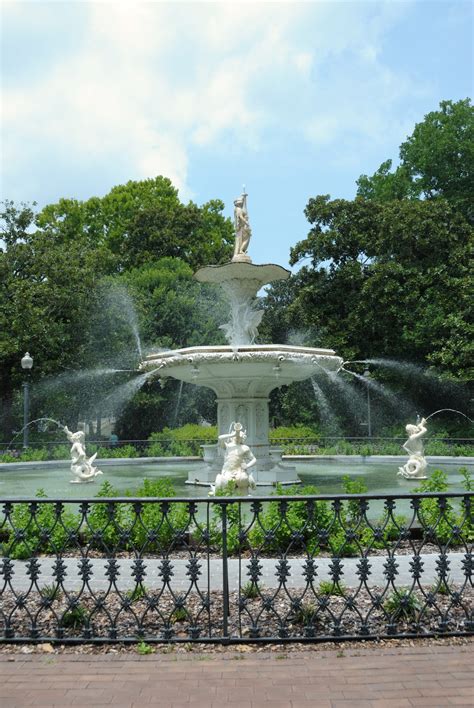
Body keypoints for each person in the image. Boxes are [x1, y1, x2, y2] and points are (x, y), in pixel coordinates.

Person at [209, 422, 256, 495]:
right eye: (236, 436)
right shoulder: (228, 446)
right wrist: (233, 434)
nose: (237, 437)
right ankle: (218, 491)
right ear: (232, 437)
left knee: (243, 480)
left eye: (239, 436)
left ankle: (244, 492)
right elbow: (220, 438)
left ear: (243, 438)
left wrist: (247, 466)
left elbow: (254, 459)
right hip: (228, 471)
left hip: (239, 472)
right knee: (225, 482)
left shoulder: (245, 448)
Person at [233, 192, 252, 259]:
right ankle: (241, 250)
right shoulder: (238, 209)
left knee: (245, 238)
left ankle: (241, 250)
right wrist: (246, 223)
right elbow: (241, 217)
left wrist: (244, 197)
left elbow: (245, 208)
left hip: (242, 227)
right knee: (246, 238)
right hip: (242, 227)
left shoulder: (238, 209)